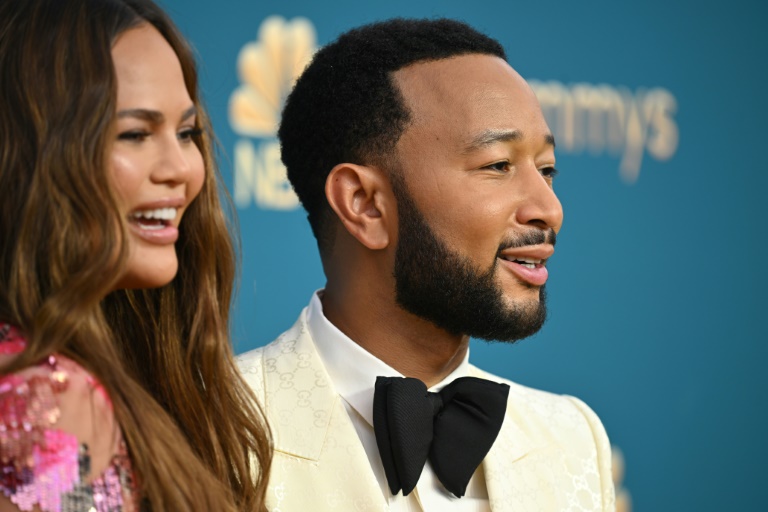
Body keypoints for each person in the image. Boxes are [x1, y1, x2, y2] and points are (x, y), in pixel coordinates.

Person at [238, 17, 615, 512]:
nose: (550, 209)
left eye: (546, 170)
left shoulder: (572, 441)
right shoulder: (206, 428)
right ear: (365, 204)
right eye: (498, 165)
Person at [0, 0, 271, 511]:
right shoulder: (45, 398)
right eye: (135, 134)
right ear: (29, 156)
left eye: (186, 133)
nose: (181, 169)